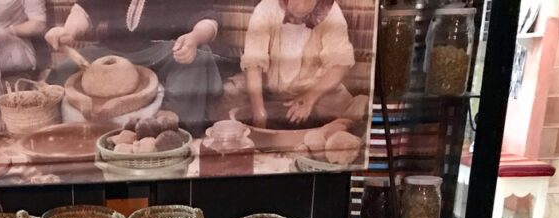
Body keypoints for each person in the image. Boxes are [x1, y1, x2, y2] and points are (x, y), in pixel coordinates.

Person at [45, 0, 222, 132]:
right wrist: (68, 31)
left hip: (162, 53)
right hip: (110, 55)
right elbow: (84, 10)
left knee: (199, 56)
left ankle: (170, 124)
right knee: (65, 70)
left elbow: (207, 19)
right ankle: (68, 129)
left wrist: (194, 38)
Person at [241, 0, 368, 129]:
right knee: (234, 100)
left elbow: (340, 65)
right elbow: (253, 63)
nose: (297, 21)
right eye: (293, 15)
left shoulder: (331, 11)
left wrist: (310, 98)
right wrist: (259, 113)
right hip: (272, 94)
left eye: (304, 16)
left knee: (353, 116)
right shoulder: (265, 8)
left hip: (319, 93)